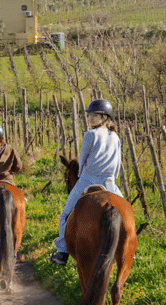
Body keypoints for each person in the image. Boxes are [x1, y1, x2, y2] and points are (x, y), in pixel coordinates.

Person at [50, 99, 123, 266]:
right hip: (110, 181)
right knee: (127, 214)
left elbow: (82, 158)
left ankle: (62, 251)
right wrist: (113, 178)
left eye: (95, 115)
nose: (90, 118)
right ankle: (127, 250)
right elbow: (118, 161)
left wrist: (83, 176)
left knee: (65, 215)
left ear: (104, 118)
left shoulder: (90, 135)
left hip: (88, 178)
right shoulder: (116, 137)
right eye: (89, 115)